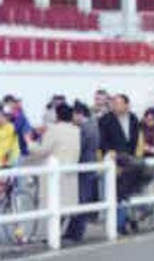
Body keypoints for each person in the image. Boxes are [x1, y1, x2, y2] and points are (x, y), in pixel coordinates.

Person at [26, 103, 82, 239]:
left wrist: (29, 142)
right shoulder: (76, 130)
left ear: (57, 115)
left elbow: (42, 150)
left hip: (54, 174)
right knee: (64, 205)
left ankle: (52, 235)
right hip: (70, 172)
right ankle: (56, 234)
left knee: (52, 204)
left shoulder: (54, 130)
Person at [66, 102, 100, 242]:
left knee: (82, 199)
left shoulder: (85, 129)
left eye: (74, 114)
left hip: (84, 165)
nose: (72, 118)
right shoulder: (92, 126)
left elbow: (79, 147)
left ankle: (77, 233)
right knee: (81, 198)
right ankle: (73, 231)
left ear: (80, 114)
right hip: (89, 164)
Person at [99, 93, 139, 158]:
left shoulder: (133, 118)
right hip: (113, 158)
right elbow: (102, 140)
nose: (114, 106)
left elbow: (136, 138)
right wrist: (108, 151)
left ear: (126, 105)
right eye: (113, 103)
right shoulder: (105, 120)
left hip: (131, 158)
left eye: (117, 104)